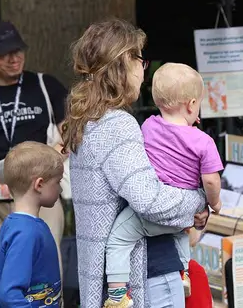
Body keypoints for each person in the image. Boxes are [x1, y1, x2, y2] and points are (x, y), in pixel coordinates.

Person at [62, 18, 209, 308]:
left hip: (115, 275)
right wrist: (197, 201)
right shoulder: (117, 123)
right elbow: (149, 200)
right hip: (147, 273)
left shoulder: (85, 119)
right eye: (140, 59)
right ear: (123, 63)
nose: (144, 69)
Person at [104, 62, 223, 306]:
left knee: (118, 238)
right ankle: (184, 274)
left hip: (151, 214)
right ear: (192, 104)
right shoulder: (203, 141)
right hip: (181, 215)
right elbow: (210, 180)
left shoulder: (147, 126)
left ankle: (116, 295)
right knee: (180, 235)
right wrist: (214, 203)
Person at [0, 20, 67, 299]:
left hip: (39, 197)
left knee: (46, 280)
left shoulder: (46, 86)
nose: (14, 58)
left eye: (18, 50)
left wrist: (48, 157)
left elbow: (70, 135)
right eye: (4, 53)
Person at [0, 141, 64, 307]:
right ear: (39, 184)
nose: (60, 189)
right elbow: (9, 294)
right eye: (58, 182)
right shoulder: (26, 233)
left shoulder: (16, 224)